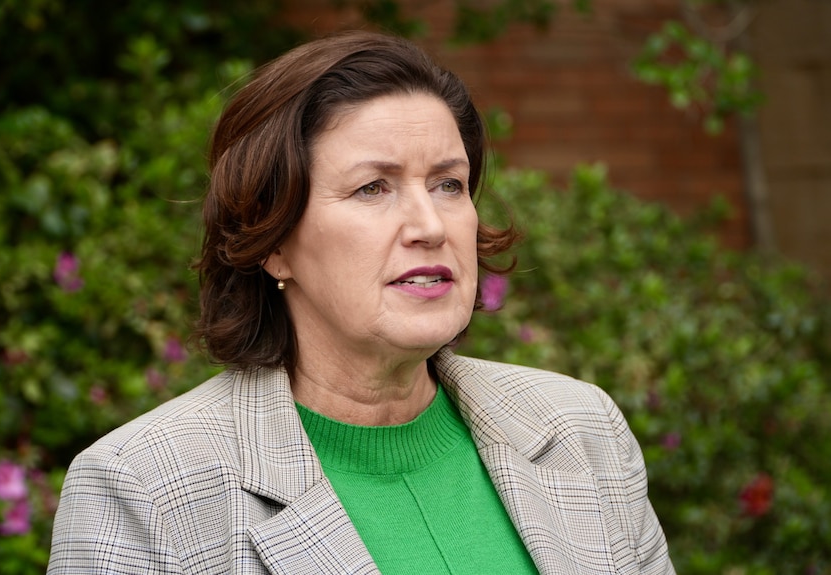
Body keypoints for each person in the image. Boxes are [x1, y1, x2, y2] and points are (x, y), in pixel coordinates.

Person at [48, 30, 675, 574]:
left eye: (448, 184)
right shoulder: (145, 489)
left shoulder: (581, 429)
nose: (429, 224)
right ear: (273, 241)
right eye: (373, 187)